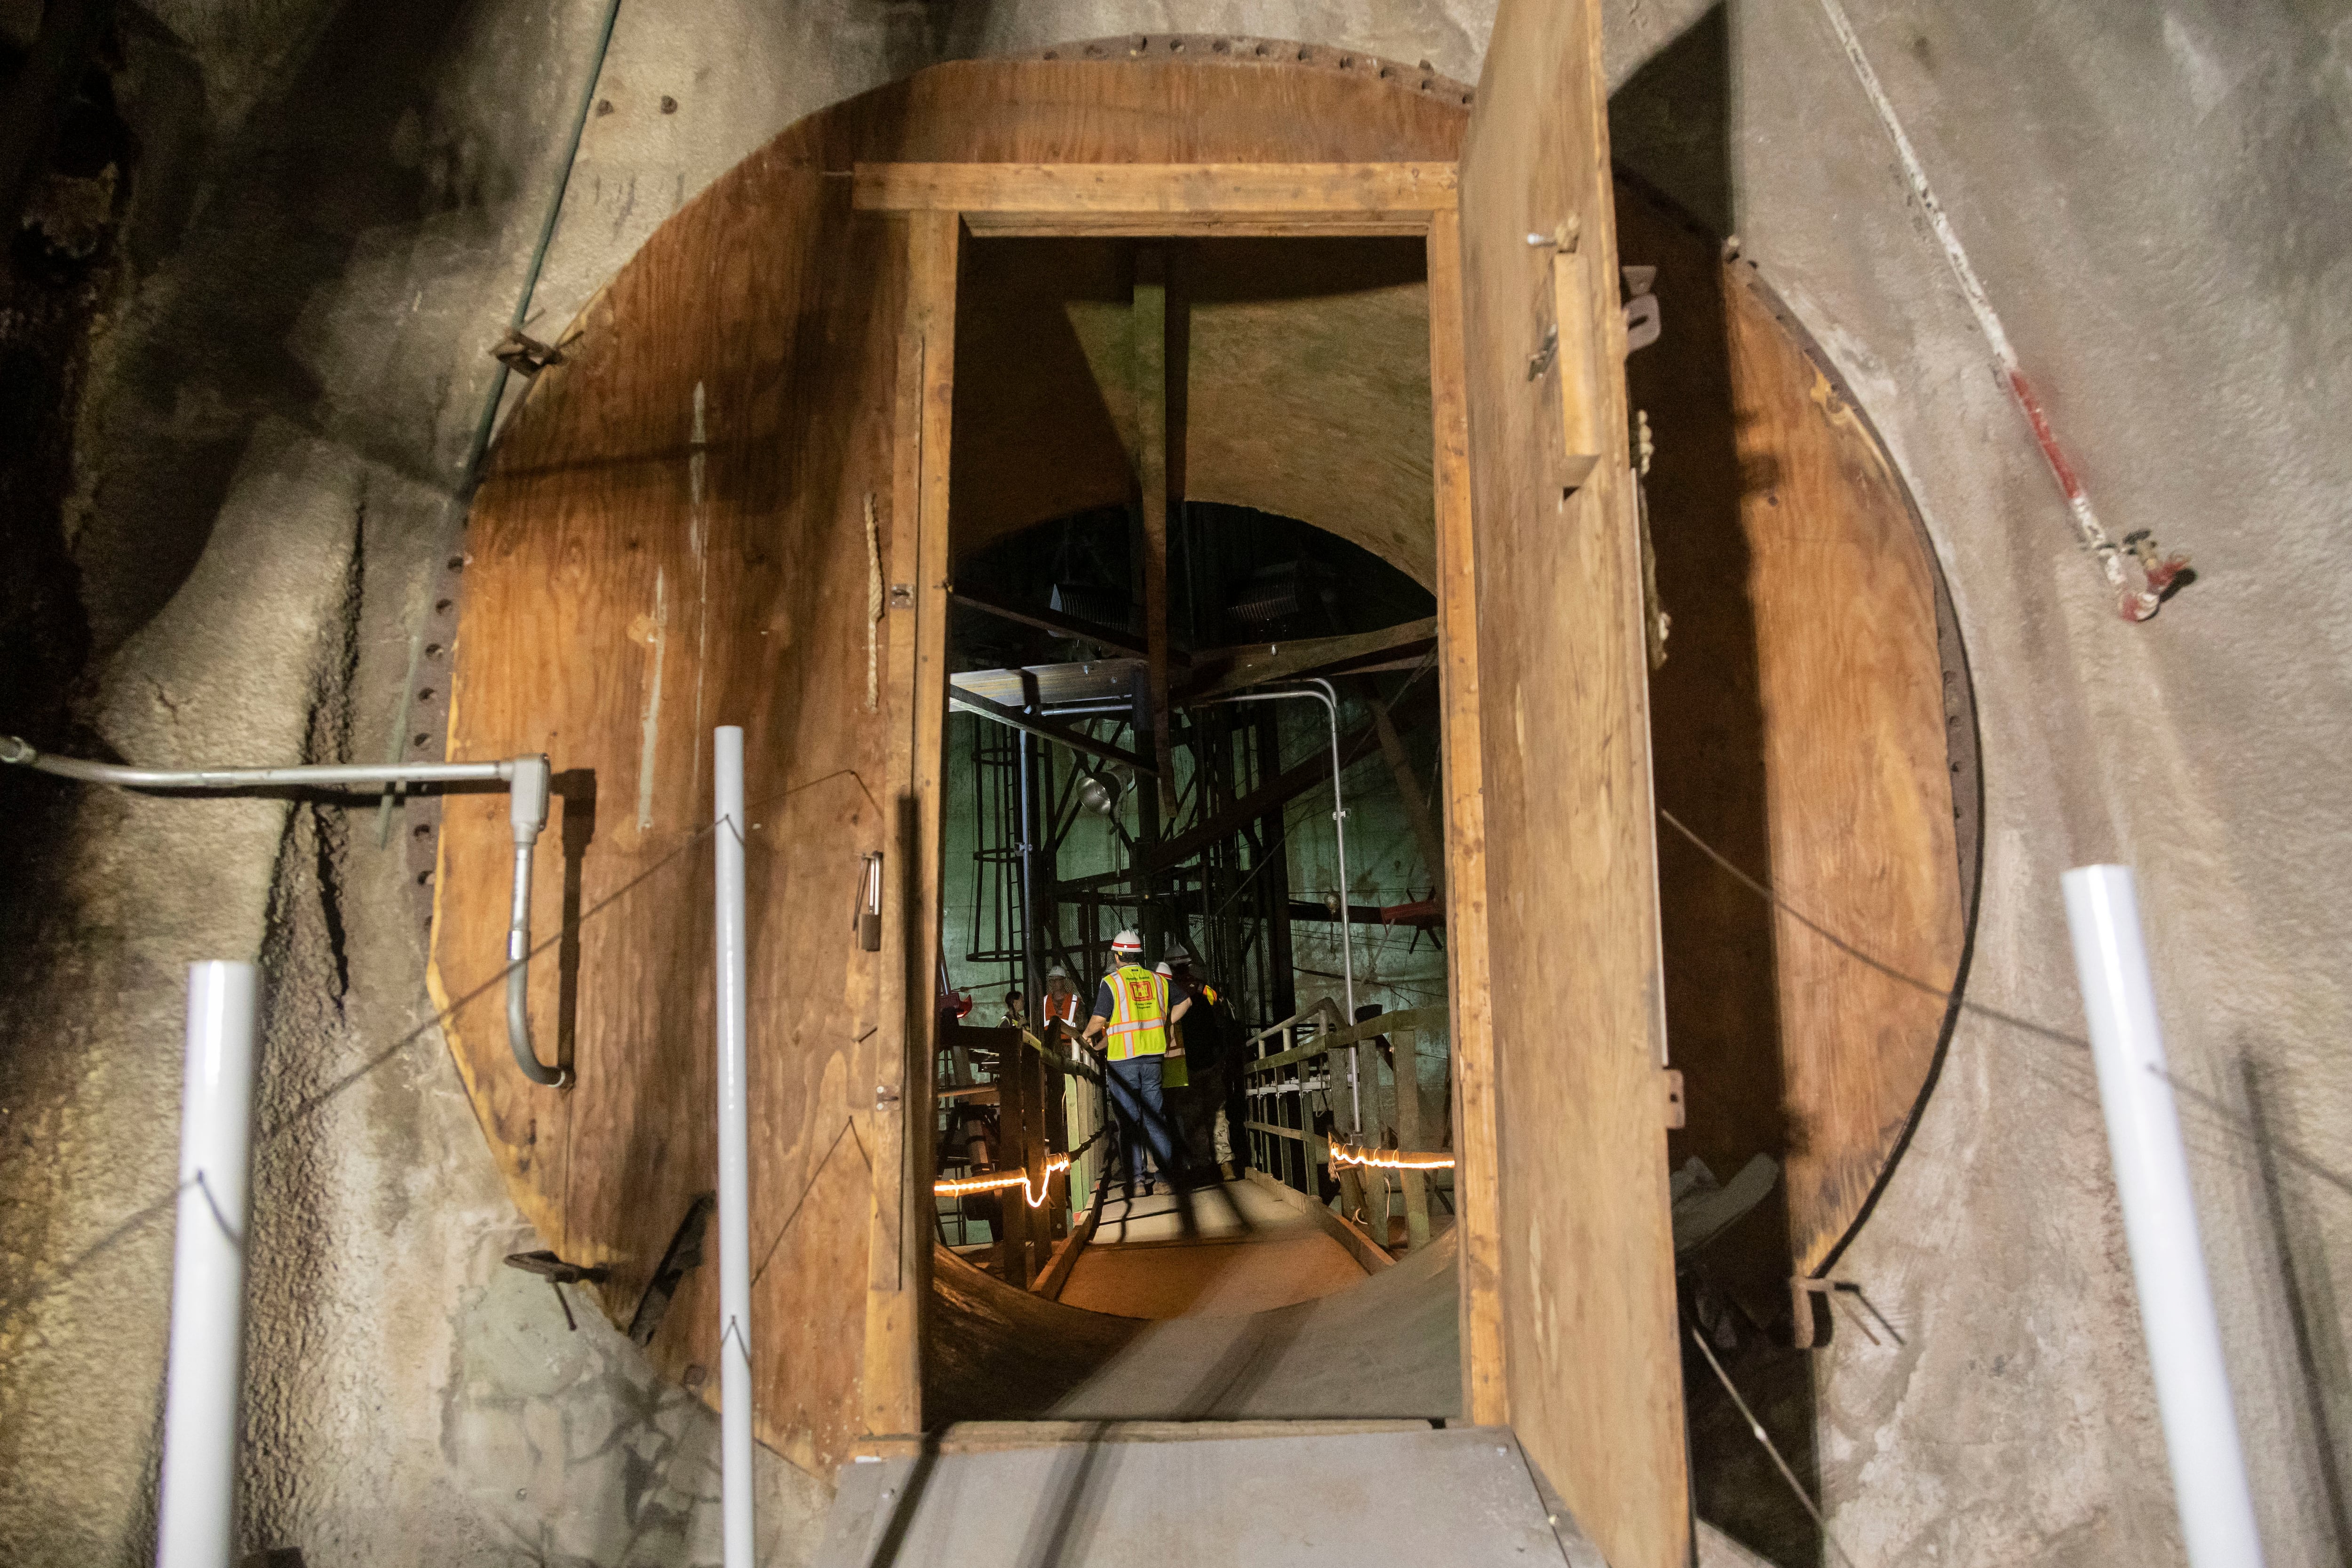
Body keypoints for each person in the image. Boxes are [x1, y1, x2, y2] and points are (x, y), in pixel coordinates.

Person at [1080, 930, 1190, 1196]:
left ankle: (1137, 1183)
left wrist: (1083, 1039)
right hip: (1152, 1058)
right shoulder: (1157, 980)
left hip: (1122, 1062)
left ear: (1117, 955)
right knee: (1156, 1120)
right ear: (1138, 955)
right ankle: (1164, 1180)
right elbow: (1186, 1001)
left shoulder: (1112, 983)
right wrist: (1165, 1023)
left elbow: (1098, 1021)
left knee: (1129, 1122)